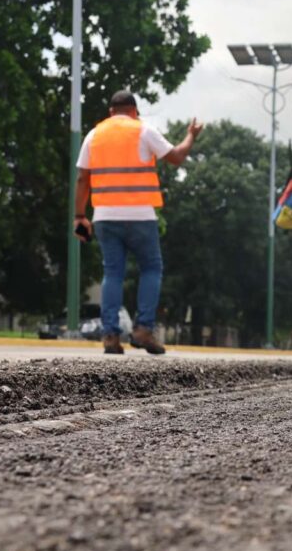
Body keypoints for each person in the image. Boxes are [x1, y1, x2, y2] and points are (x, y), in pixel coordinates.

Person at [73, 90, 202, 355]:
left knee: (112, 273)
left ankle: (110, 336)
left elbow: (82, 179)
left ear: (111, 111)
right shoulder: (143, 130)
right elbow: (176, 157)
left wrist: (79, 216)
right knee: (151, 269)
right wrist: (191, 135)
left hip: (106, 217)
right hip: (141, 216)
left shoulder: (94, 135)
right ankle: (143, 329)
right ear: (134, 110)